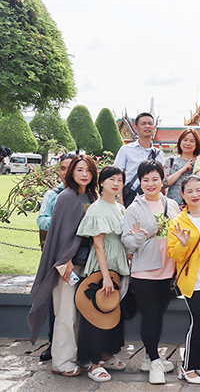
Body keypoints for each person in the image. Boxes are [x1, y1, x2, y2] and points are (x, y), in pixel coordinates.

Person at [28, 154, 98, 377]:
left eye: (88, 170)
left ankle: (74, 357)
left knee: (78, 313)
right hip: (67, 264)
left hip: (83, 263)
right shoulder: (66, 196)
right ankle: (61, 362)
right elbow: (59, 233)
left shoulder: (89, 195)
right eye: (79, 170)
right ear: (71, 173)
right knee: (65, 313)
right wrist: (65, 260)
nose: (84, 174)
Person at [121, 160, 181, 384]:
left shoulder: (171, 205)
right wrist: (138, 238)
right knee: (150, 315)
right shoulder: (134, 208)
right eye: (145, 179)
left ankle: (149, 356)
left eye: (155, 179)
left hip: (168, 269)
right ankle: (155, 361)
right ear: (140, 181)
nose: (150, 183)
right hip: (145, 271)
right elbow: (126, 241)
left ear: (162, 180)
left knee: (159, 313)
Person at [75, 165, 129, 383]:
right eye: (111, 179)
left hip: (118, 265)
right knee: (96, 312)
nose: (116, 183)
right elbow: (98, 245)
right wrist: (105, 275)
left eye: (119, 180)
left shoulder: (120, 208)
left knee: (113, 310)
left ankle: (107, 353)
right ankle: (94, 362)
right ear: (101, 182)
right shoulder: (96, 208)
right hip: (102, 266)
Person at [167, 175, 200, 384]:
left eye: (198, 189)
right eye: (189, 191)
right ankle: (187, 366)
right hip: (192, 282)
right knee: (199, 322)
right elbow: (173, 254)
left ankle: (199, 362)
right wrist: (182, 243)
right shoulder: (178, 222)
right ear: (182, 195)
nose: (195, 194)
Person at [35, 152, 76, 362]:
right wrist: (62, 222)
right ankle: (54, 344)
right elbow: (41, 220)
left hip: (80, 256)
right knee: (56, 301)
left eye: (71, 168)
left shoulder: (87, 194)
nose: (66, 172)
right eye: (62, 168)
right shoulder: (53, 195)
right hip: (57, 256)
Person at [114, 112, 165, 207]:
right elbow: (117, 176)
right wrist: (120, 202)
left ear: (154, 128)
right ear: (136, 128)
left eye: (150, 123)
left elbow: (161, 180)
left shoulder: (158, 154)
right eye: (143, 123)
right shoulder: (126, 150)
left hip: (151, 198)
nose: (147, 126)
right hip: (129, 197)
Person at [164, 128, 200, 205]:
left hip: (192, 205)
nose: (188, 143)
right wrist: (181, 170)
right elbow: (164, 183)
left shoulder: (199, 162)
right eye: (185, 140)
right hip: (172, 205)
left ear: (196, 145)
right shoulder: (171, 161)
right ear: (180, 142)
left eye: (192, 141)